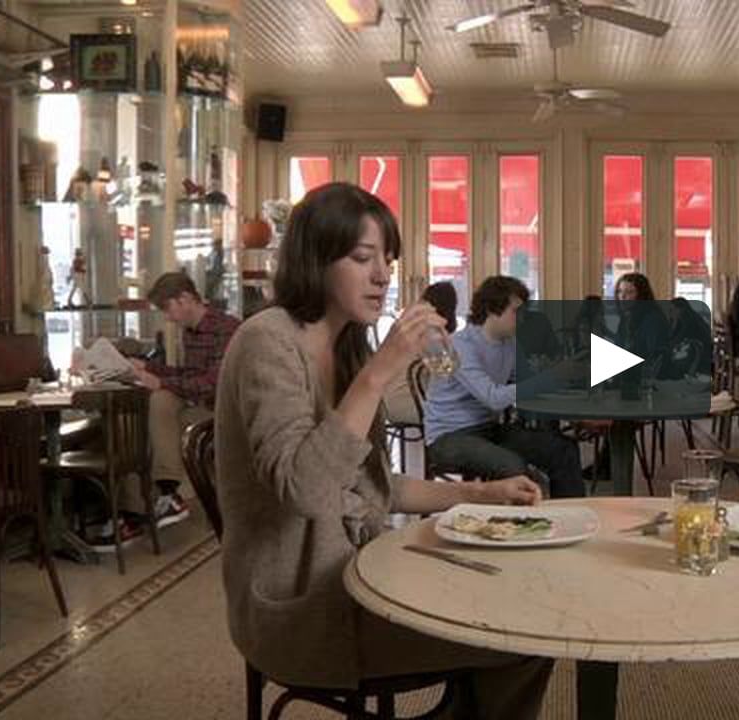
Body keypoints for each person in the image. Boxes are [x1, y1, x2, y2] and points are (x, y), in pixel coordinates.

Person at [213, 182, 553, 717]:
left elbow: (371, 483)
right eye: (362, 257)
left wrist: (481, 494)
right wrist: (378, 374)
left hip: (361, 573)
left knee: (513, 592)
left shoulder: (346, 342)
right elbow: (307, 491)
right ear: (315, 258)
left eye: (388, 260)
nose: (382, 275)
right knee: (525, 635)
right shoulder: (267, 341)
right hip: (300, 609)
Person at [423, 275, 585, 498]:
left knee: (563, 450)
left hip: (487, 429)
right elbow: (493, 398)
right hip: (448, 436)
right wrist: (550, 378)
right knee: (512, 466)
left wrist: (568, 374)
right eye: (516, 312)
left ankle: (571, 515)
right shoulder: (460, 345)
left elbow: (530, 381)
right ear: (492, 309)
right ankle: (521, 520)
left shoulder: (510, 343)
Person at [128, 271, 240, 531]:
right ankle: (160, 496)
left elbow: (212, 384)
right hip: (199, 404)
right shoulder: (190, 331)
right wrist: (148, 368)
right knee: (157, 405)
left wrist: (161, 382)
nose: (167, 317)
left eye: (168, 309)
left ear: (186, 298)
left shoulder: (226, 329)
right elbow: (189, 376)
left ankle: (165, 493)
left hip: (225, 410)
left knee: (160, 407)